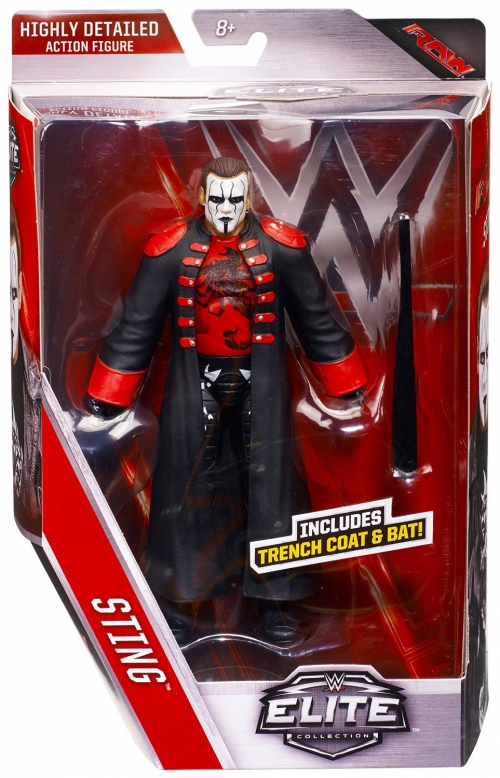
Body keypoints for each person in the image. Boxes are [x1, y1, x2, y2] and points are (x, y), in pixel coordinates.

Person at [87, 157, 367, 646]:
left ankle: (276, 603)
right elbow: (136, 324)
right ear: (201, 198)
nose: (226, 208)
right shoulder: (170, 250)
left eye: (236, 198)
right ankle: (180, 599)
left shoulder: (281, 247)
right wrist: (108, 394)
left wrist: (345, 382)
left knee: (273, 491)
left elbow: (316, 318)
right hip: (193, 386)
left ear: (249, 198)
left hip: (262, 386)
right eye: (217, 198)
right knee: (184, 488)